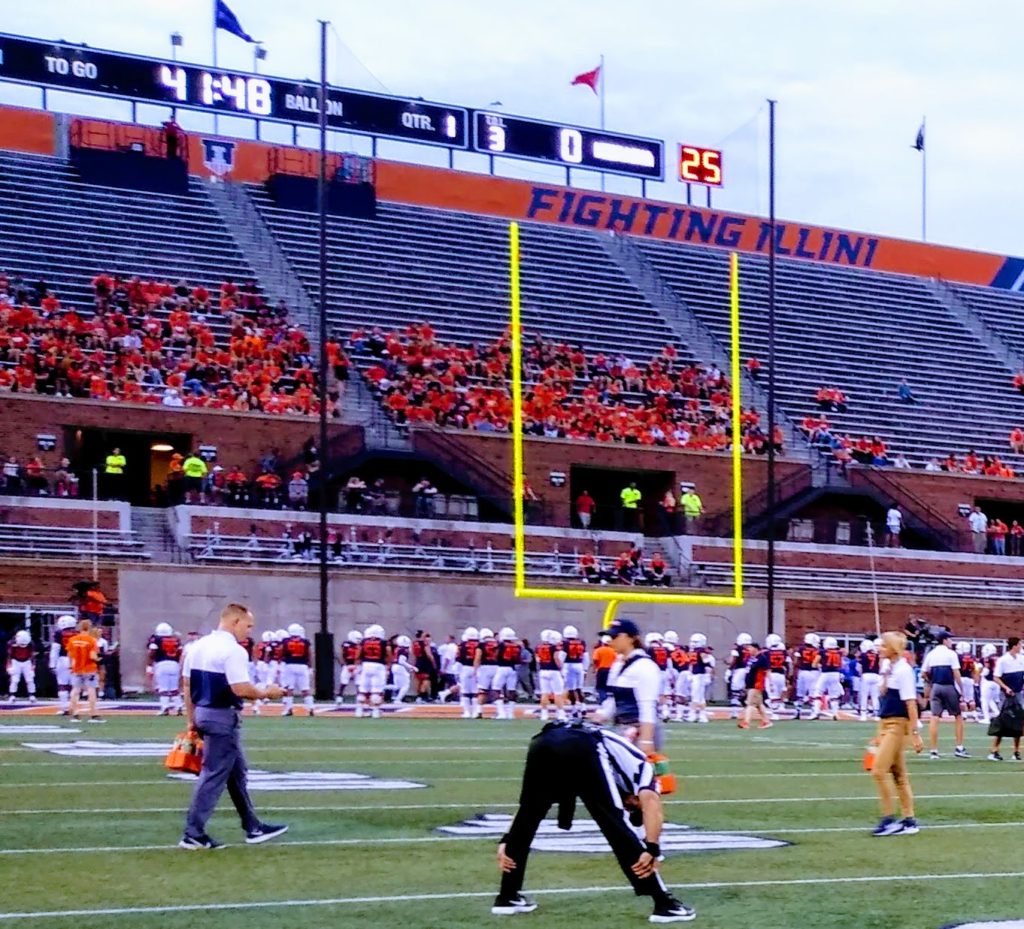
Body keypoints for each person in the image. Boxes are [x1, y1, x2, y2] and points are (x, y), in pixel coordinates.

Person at [492, 719, 695, 923]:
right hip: (582, 744)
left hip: (543, 741)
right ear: (636, 796)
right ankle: (664, 903)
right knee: (616, 825)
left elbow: (525, 809)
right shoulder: (643, 767)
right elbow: (652, 804)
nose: (630, 807)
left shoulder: (621, 764)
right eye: (634, 807)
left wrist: (508, 839)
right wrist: (652, 848)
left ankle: (507, 897)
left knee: (530, 813)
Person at [180, 603, 288, 849]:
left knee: (237, 773)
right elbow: (240, 688)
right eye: (248, 626)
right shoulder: (233, 650)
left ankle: (253, 826)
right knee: (214, 774)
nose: (249, 631)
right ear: (234, 622)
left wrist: (191, 719)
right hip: (222, 715)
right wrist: (267, 693)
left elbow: (187, 686)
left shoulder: (197, 647)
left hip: (204, 712)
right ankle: (193, 832)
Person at [868, 630, 923, 836]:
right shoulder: (889, 667)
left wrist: (915, 732)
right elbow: (883, 693)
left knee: (878, 770)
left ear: (892, 648)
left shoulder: (904, 670)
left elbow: (911, 704)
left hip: (897, 725)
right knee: (899, 774)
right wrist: (884, 674)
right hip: (885, 723)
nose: (879, 648)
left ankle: (888, 818)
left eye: (883, 645)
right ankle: (909, 820)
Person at [920, 631, 968, 759]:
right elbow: (956, 673)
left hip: (935, 686)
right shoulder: (951, 654)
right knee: (958, 716)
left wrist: (929, 683)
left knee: (935, 717)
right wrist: (962, 690)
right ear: (945, 640)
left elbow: (923, 673)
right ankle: (959, 747)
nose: (951, 642)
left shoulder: (931, 654)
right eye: (950, 639)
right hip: (948, 686)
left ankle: (934, 750)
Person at [988, 636, 1024, 762]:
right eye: (1019, 644)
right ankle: (994, 750)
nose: (1021, 647)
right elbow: (996, 677)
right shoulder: (1003, 660)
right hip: (1006, 695)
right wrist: (1006, 688)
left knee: (1019, 722)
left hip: (1018, 693)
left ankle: (1016, 751)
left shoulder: (1021, 659)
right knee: (1003, 722)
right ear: (1014, 646)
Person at [67, 618, 104, 724]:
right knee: (91, 691)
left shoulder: (72, 640)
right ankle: (93, 714)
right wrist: (98, 659)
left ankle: (74, 714)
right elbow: (92, 656)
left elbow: (70, 655)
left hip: (76, 668)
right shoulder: (91, 640)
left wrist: (71, 666)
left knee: (75, 690)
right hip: (89, 668)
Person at [6, 629, 37, 703]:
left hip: (27, 661)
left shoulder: (31, 644)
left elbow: (32, 655)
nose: (23, 646)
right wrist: (8, 666)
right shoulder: (11, 644)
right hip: (15, 661)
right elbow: (9, 656)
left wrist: (33, 665)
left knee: (30, 679)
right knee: (15, 680)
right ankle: (12, 695)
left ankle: (32, 695)